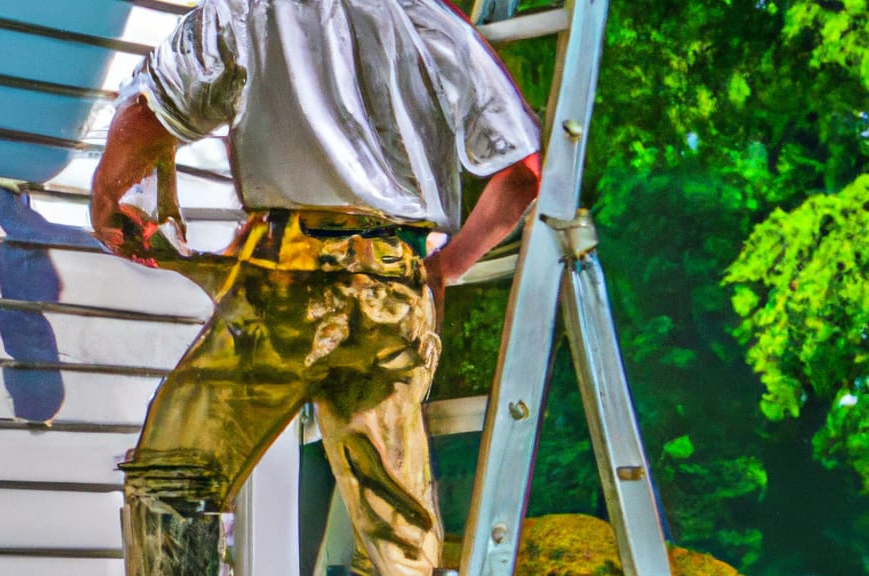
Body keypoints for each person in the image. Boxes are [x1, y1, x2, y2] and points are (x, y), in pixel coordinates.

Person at [91, 0, 540, 573]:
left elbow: (151, 114)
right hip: (392, 289)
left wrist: (108, 197)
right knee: (396, 532)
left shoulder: (246, 10)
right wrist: (444, 268)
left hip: (287, 285)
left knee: (170, 479)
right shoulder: (433, 20)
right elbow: (523, 174)